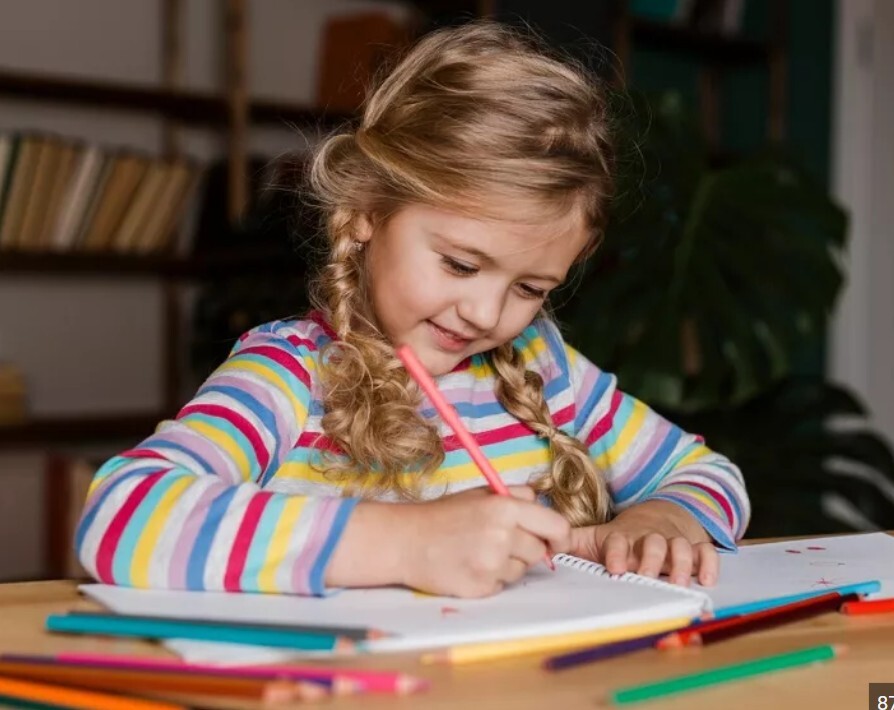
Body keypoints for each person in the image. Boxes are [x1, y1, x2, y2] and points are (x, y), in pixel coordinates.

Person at [75, 21, 749, 599]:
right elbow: (120, 516)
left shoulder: (545, 368)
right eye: (460, 263)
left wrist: (664, 518)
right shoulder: (288, 374)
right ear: (368, 213)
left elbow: (708, 475)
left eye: (530, 288)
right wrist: (402, 543)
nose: (487, 314)